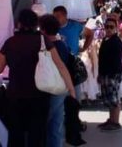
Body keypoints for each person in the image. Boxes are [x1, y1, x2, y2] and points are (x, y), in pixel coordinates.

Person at [0, 9, 75, 147]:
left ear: (19, 23)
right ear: (36, 23)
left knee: (16, 134)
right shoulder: (44, 41)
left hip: (15, 96)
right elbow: (60, 66)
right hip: (39, 95)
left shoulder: (10, 43)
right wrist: (71, 90)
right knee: (37, 135)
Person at [39, 14, 73, 147]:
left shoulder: (48, 46)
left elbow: (60, 66)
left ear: (43, 29)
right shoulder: (62, 44)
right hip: (61, 88)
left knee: (44, 123)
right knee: (56, 126)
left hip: (50, 88)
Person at [98, 18, 122, 132]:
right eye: (107, 26)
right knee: (109, 99)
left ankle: (116, 122)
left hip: (113, 74)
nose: (108, 29)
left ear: (116, 28)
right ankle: (111, 120)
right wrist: (100, 74)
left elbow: (114, 61)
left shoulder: (116, 42)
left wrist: (111, 76)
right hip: (105, 74)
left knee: (114, 99)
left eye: (111, 27)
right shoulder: (105, 39)